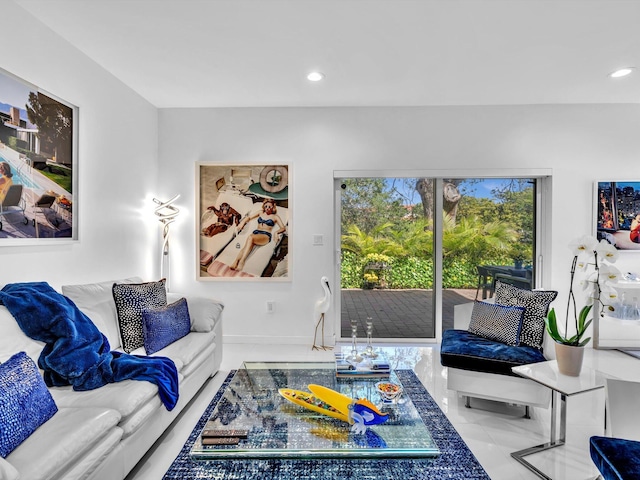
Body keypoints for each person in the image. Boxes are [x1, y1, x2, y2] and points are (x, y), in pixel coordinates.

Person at [230, 199, 286, 271]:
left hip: (265, 236)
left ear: (273, 207)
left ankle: (242, 261)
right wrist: (242, 222)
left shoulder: (275, 217)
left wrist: (276, 232)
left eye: (269, 207)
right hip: (256, 233)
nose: (267, 208)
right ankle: (236, 261)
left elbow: (283, 228)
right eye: (266, 206)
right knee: (245, 247)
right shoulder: (260, 213)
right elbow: (249, 217)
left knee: (250, 237)